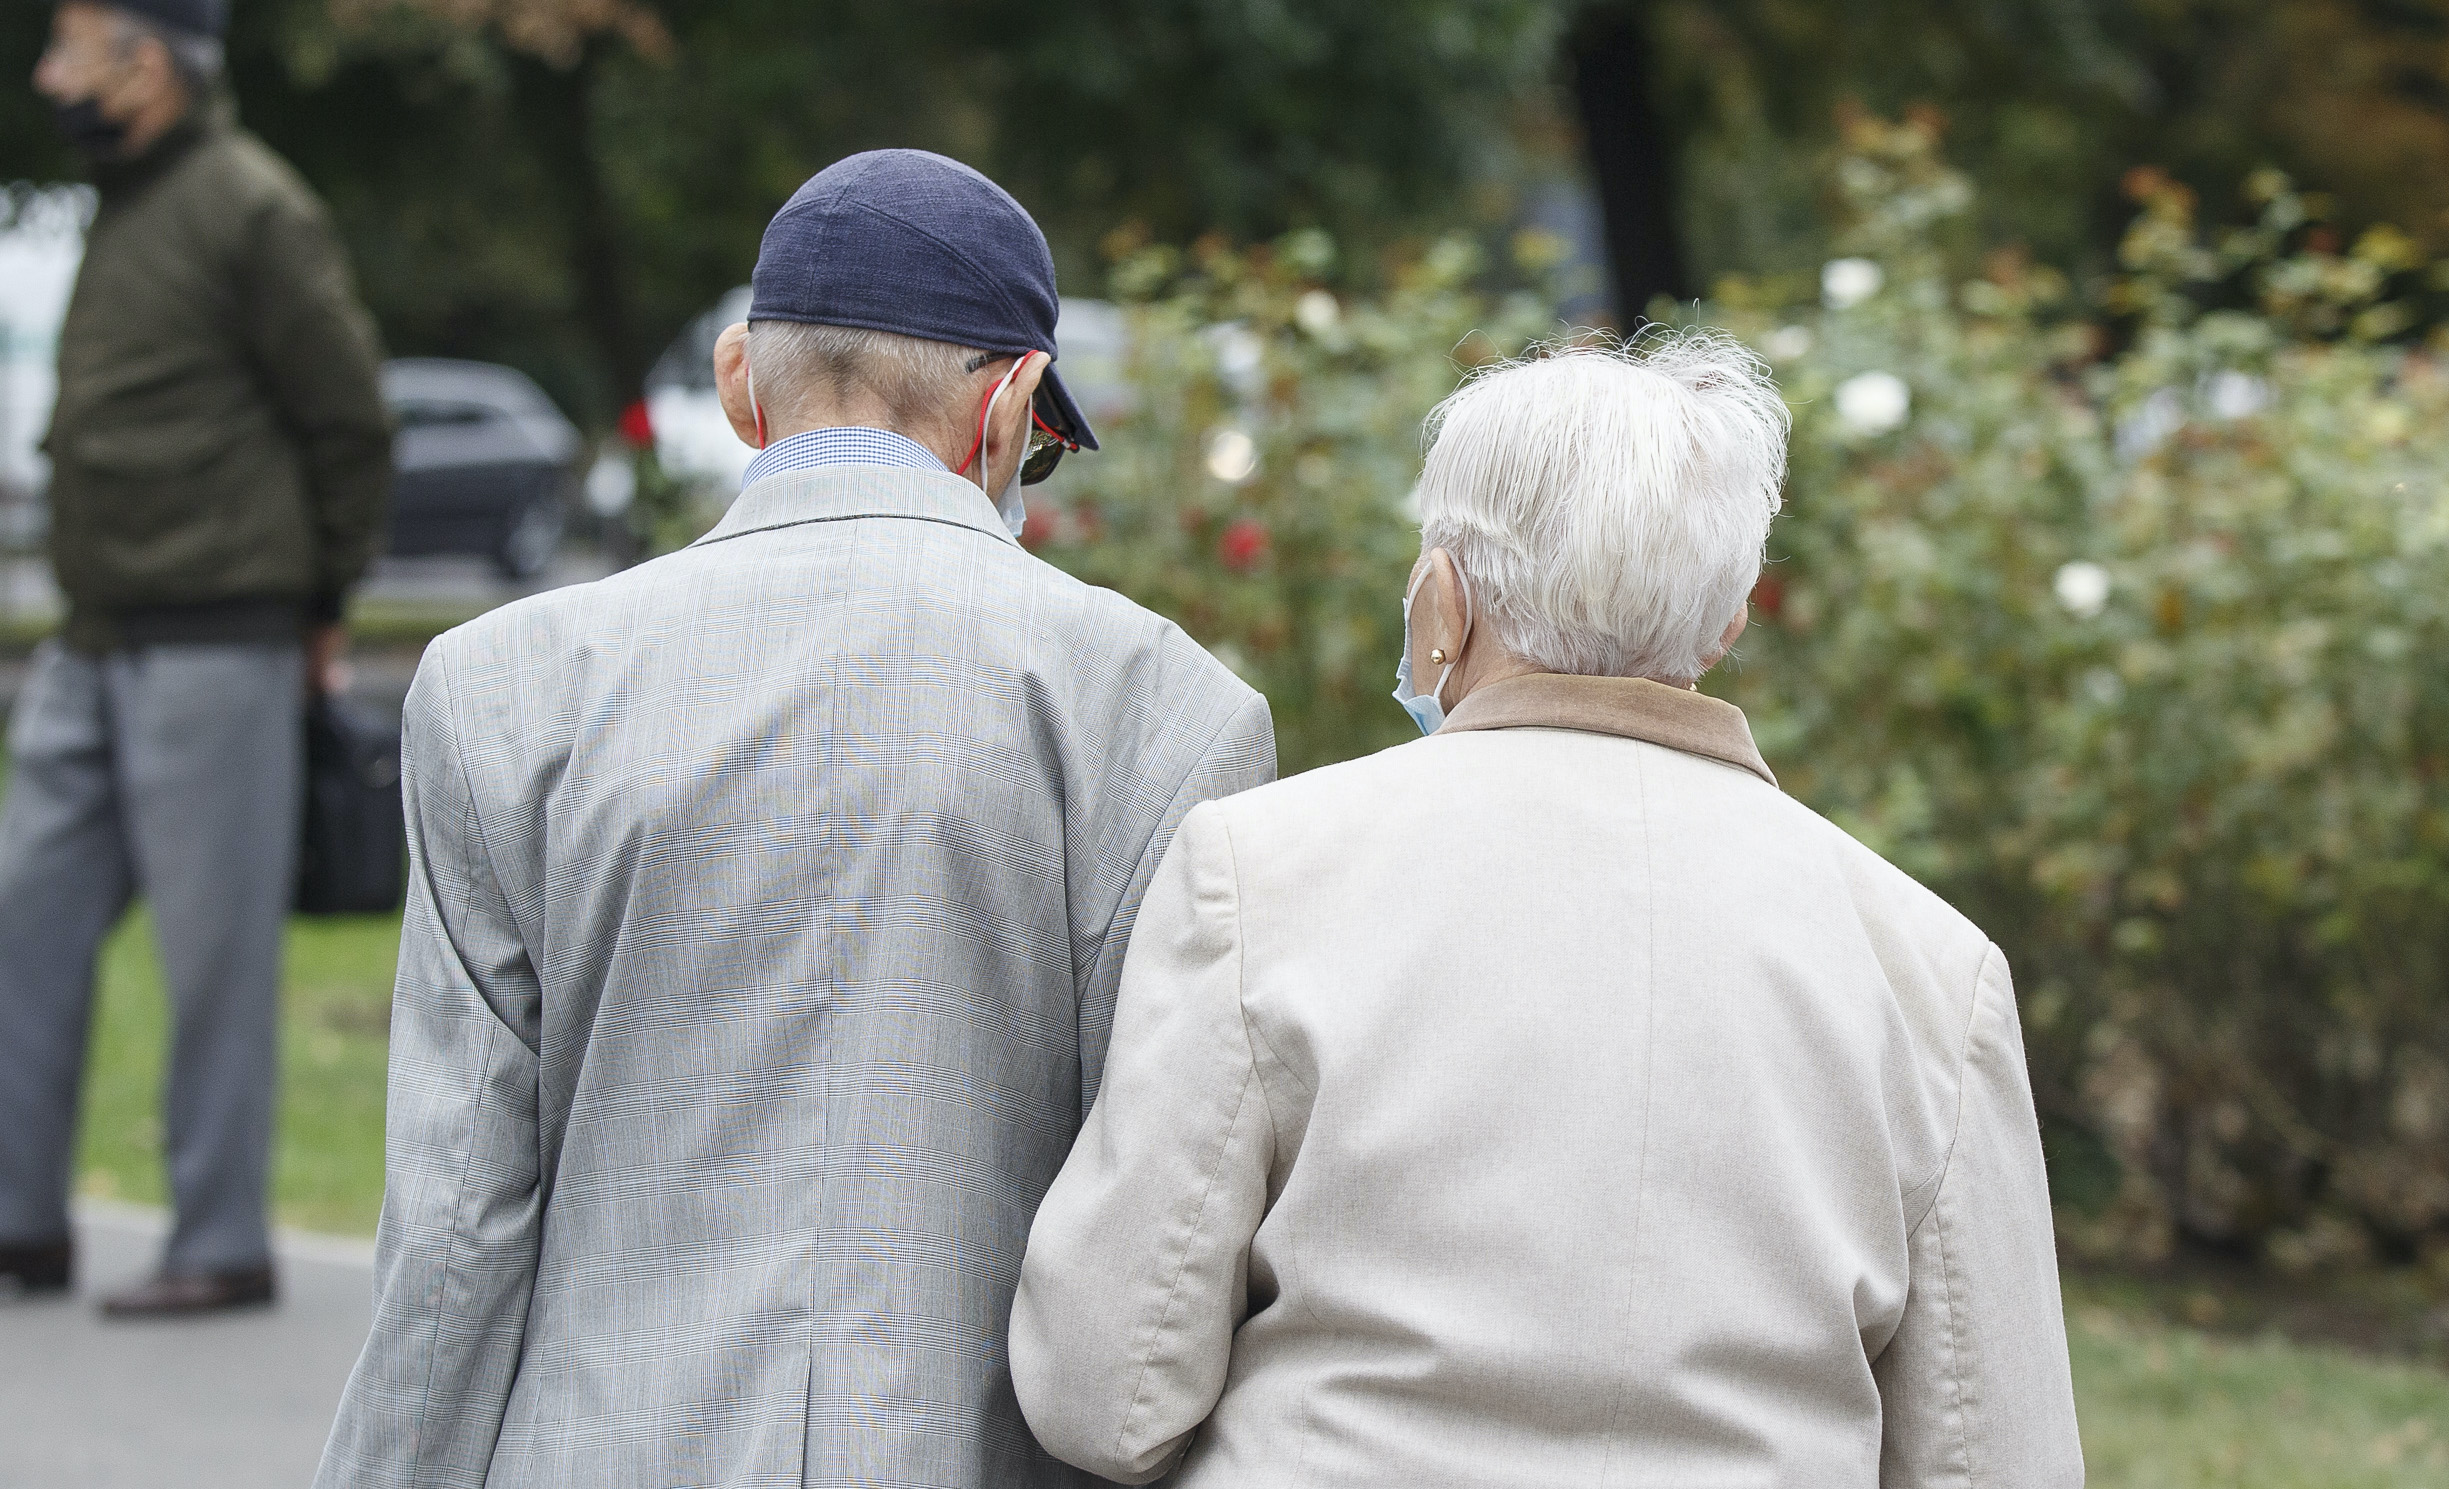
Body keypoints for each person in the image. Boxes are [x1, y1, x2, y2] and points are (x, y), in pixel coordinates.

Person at [316, 149, 1275, 1488]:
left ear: (735, 383)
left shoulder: (497, 691)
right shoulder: (1169, 709)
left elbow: (455, 1229)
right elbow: (1164, 1232)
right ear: (1007, 411)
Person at [1010, 336, 2084, 1486]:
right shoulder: (1931, 965)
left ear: (1441, 599)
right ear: (1723, 626)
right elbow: (1995, 1457)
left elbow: (1105, 1395)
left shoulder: (1258, 870)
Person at [0, 0, 391, 1316]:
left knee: (214, 955)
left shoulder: (250, 205)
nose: (49, 73)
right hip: (95, 638)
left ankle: (220, 1242)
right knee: (23, 925)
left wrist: (321, 602)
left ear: (145, 63)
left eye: (69, 46)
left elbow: (347, 418)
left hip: (222, 636)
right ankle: (20, 1224)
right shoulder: (124, 196)